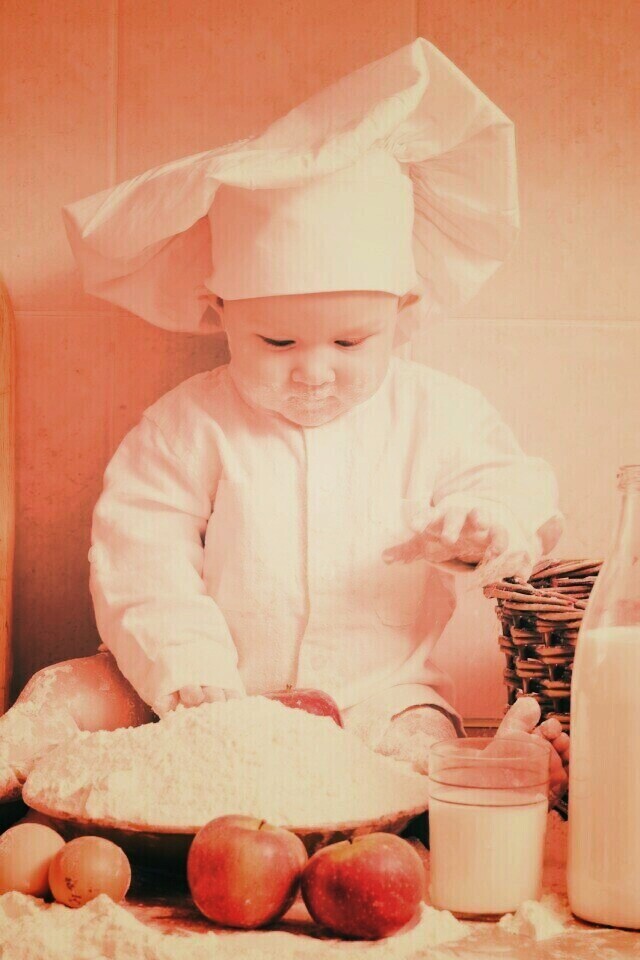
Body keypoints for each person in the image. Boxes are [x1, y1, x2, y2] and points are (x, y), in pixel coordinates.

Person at [1, 38, 569, 806]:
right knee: (66, 689)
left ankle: (489, 769)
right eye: (276, 342)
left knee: (420, 747)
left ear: (402, 313)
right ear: (220, 312)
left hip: (379, 695)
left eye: (351, 342)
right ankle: (12, 754)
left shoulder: (439, 413)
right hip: (203, 693)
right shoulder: (187, 425)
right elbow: (140, 555)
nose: (314, 371)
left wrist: (487, 523)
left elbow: (517, 483)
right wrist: (189, 670)